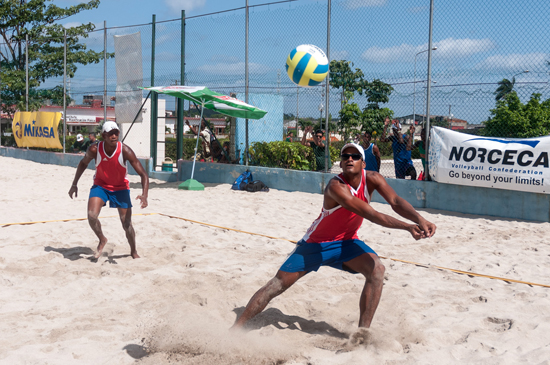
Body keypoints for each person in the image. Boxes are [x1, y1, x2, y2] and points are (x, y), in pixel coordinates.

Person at [231, 142, 436, 331]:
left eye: (355, 156)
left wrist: (419, 218)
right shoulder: (335, 186)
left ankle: (363, 333)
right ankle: (236, 329)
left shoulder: (373, 178)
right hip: (315, 244)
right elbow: (370, 214)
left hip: (346, 242)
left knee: (377, 271)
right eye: (345, 155)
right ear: (340, 162)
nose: (349, 159)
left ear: (363, 162)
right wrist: (408, 227)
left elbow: (396, 201)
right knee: (276, 285)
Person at [68, 121, 149, 259]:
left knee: (126, 224)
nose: (114, 136)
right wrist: (74, 184)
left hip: (121, 188)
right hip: (101, 186)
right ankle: (102, 239)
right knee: (92, 216)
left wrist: (144, 195)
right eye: (110, 133)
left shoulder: (125, 150)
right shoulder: (94, 149)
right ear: (103, 135)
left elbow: (144, 175)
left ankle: (133, 251)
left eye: (116, 132)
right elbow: (82, 163)